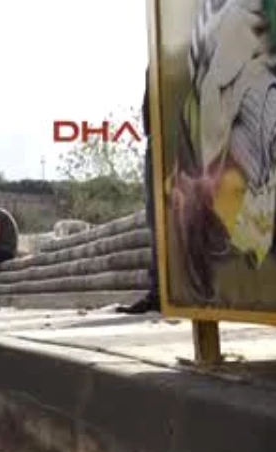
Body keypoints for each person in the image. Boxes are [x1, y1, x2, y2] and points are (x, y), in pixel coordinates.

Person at [118, 69, 161, 314]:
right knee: (155, 218)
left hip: (178, 134)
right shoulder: (157, 56)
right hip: (156, 138)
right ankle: (158, 292)